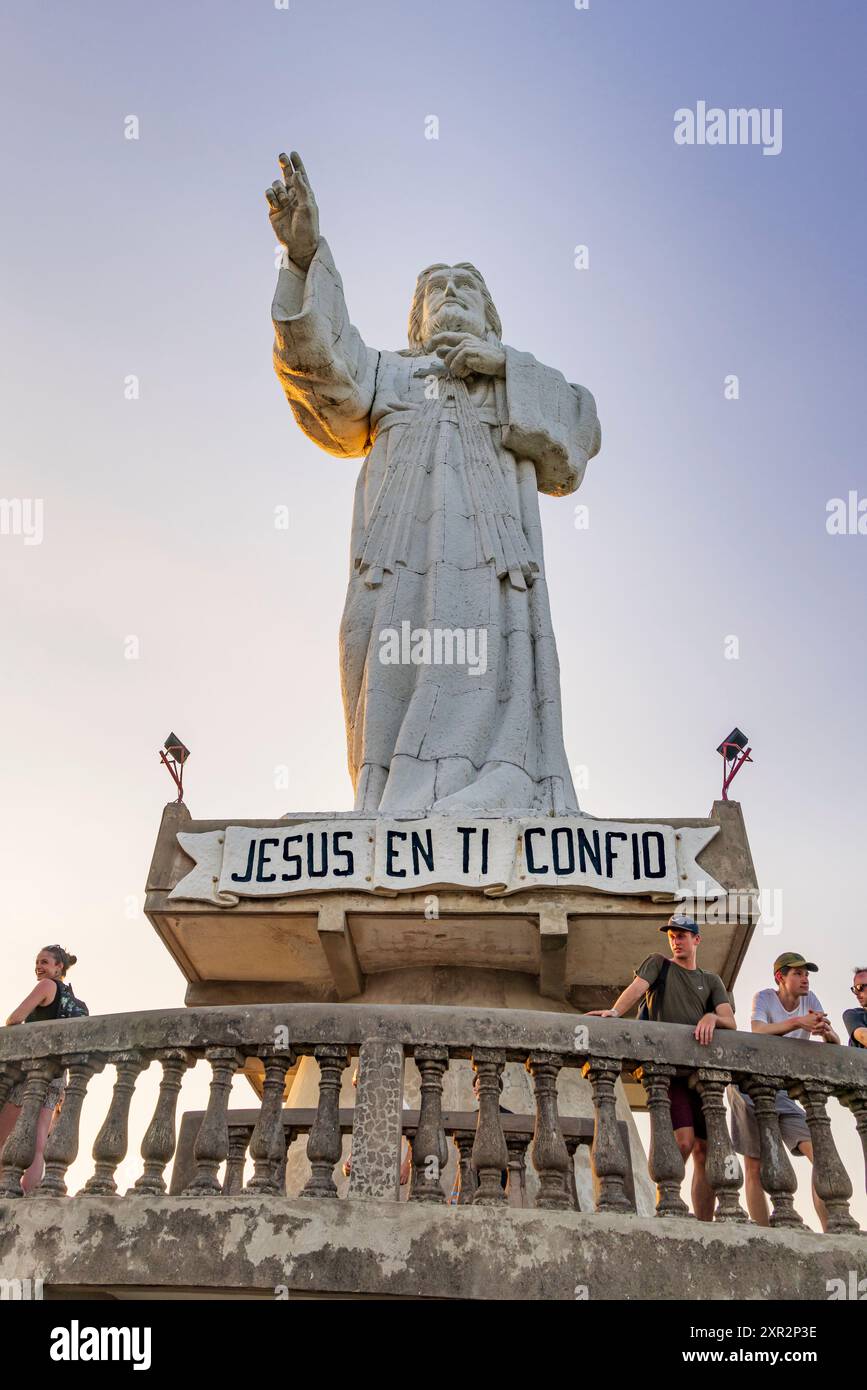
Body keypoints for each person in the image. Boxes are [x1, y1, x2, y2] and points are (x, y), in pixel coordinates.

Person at [587, 913, 736, 1221]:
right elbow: (637, 988)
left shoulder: (710, 981)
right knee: (683, 1141)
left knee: (705, 1152)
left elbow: (730, 1022)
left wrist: (711, 1018)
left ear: (696, 939)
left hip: (701, 1075)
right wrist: (615, 1011)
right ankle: (667, 1201)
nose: (676, 940)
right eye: (672, 935)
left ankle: (704, 1224)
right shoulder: (659, 964)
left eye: (682, 935)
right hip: (669, 1072)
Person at [728, 952, 839, 1231]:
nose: (805, 979)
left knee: (821, 1155)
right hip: (748, 1086)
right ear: (781, 977)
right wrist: (797, 1023)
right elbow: (757, 1031)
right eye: (798, 974)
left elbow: (832, 1042)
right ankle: (766, 1234)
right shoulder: (764, 997)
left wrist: (827, 1033)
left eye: (807, 974)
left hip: (783, 1092)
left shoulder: (809, 1001)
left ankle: (831, 1230)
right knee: (755, 1164)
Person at [0, 945, 79, 1192]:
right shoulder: (71, 997)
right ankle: (29, 1191)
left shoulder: (46, 986)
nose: (39, 966)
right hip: (56, 1077)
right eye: (37, 962)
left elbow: (15, 1018)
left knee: (4, 1135)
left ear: (59, 968)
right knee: (38, 1141)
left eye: (45, 962)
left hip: (29, 1076)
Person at [341, 1066, 411, 1186]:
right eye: (358, 1087)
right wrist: (349, 1162)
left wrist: (406, 1166)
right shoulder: (366, 1108)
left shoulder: (397, 1103)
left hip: (393, 1171)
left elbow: (413, 1137)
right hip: (368, 1175)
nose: (361, 1091)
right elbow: (364, 1140)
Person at [843, 966, 867, 1049]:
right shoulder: (853, 1014)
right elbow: (863, 1036)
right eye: (854, 989)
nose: (857, 993)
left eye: (860, 987)